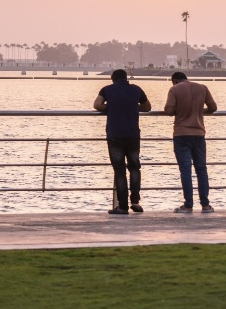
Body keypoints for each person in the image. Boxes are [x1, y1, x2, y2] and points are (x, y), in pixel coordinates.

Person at [93, 68, 152, 215]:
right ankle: (135, 201)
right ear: (127, 78)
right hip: (132, 135)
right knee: (134, 168)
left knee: (119, 171)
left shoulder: (107, 89)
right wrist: (131, 106)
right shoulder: (136, 89)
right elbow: (147, 107)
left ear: (113, 79)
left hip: (115, 135)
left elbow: (97, 105)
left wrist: (112, 107)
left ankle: (123, 206)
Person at [164, 71, 217, 213]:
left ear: (174, 80)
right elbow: (213, 108)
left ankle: (188, 205)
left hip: (181, 134)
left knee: (185, 170)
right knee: (201, 169)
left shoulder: (174, 89)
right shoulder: (202, 87)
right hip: (199, 134)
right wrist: (199, 110)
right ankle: (205, 205)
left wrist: (180, 110)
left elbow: (168, 110)